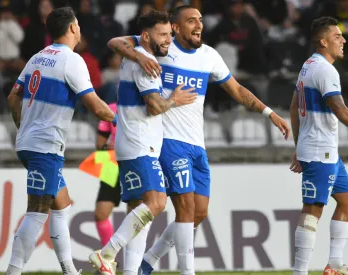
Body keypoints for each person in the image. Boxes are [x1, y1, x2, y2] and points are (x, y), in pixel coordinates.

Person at [107, 5, 290, 275]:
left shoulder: (209, 56)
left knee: (199, 212)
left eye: (201, 20)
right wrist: (139, 56)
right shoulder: (161, 50)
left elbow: (237, 90)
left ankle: (148, 262)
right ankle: (186, 271)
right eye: (191, 20)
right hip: (168, 140)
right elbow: (115, 43)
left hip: (196, 143)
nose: (199, 25)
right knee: (186, 206)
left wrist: (269, 113)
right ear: (175, 27)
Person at [5, 7, 116, 275]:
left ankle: (69, 270)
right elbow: (97, 107)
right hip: (45, 146)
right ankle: (13, 272)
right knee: (37, 211)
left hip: (30, 143)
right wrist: (124, 121)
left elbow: (12, 97)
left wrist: (25, 127)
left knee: (62, 204)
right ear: (73, 28)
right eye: (78, 25)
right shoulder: (72, 60)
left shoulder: (36, 58)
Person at [88, 9, 197, 275]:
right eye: (162, 35)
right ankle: (107, 253)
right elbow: (154, 106)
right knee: (157, 203)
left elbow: (116, 41)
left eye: (169, 35)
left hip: (134, 143)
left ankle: (130, 271)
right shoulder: (145, 62)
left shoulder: (135, 52)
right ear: (146, 36)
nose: (168, 40)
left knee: (140, 215)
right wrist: (175, 100)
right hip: (139, 144)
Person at [289, 16, 348, 275]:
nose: (344, 40)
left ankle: (334, 263)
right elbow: (339, 108)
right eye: (337, 36)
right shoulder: (325, 70)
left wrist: (298, 143)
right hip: (319, 151)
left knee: (347, 201)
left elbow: (294, 106)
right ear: (323, 41)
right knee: (312, 211)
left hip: (325, 151)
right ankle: (300, 272)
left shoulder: (308, 66)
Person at [94, 102, 120, 248]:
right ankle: (108, 259)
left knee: (135, 214)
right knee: (100, 213)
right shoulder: (110, 108)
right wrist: (106, 148)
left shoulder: (146, 104)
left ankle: (133, 263)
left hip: (136, 163)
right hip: (111, 165)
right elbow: (100, 144)